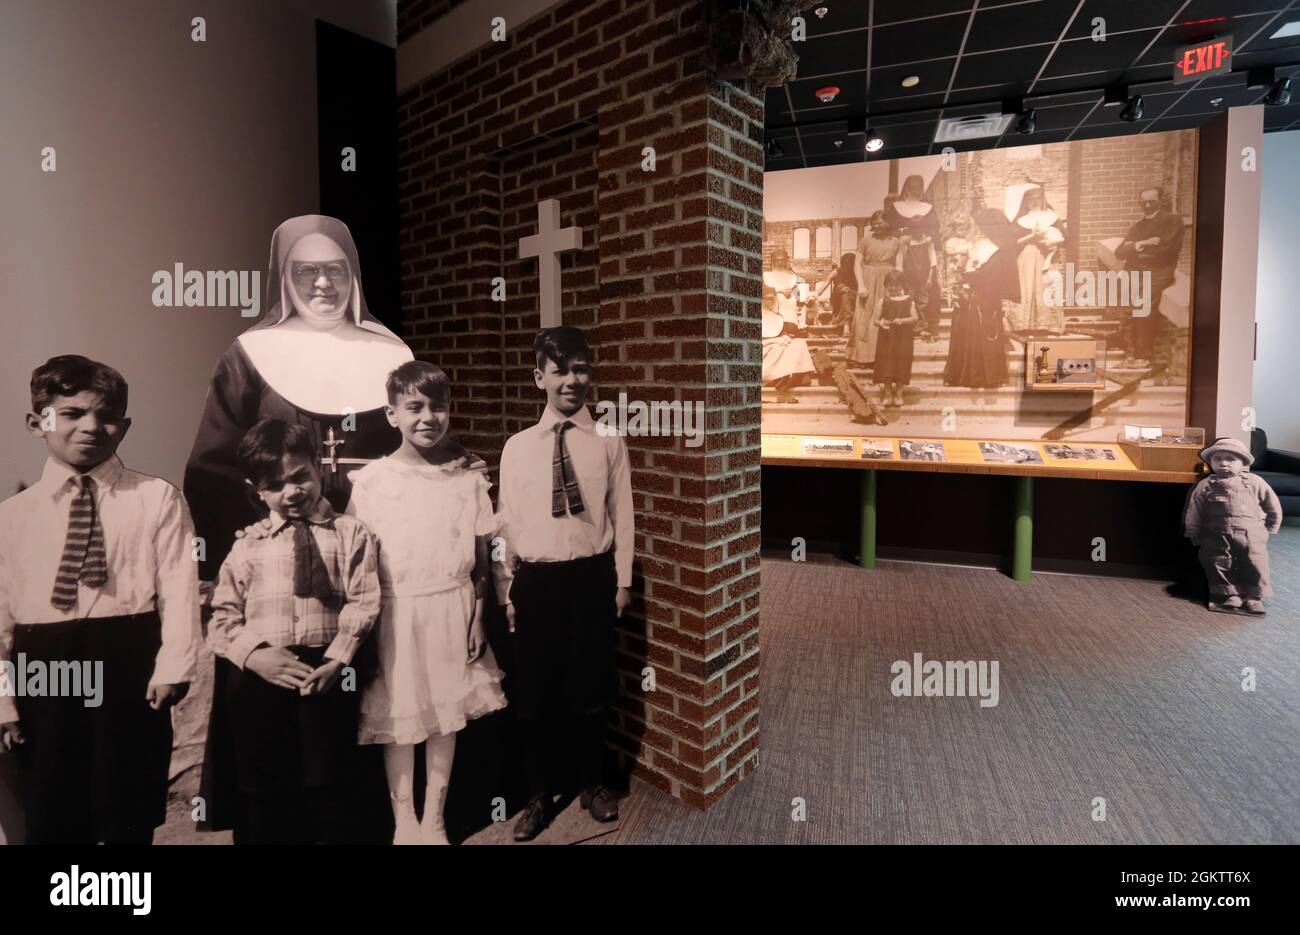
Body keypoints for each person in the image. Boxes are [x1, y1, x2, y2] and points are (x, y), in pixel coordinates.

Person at [187, 215, 476, 839]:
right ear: (284, 279)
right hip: (281, 585)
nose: (323, 284)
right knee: (278, 735)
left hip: (379, 566)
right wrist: (264, 548)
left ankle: (391, 820)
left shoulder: (389, 352)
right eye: (306, 272)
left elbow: (422, 437)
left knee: (373, 704)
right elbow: (212, 470)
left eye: (335, 270)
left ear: (354, 276)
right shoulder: (250, 355)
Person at [0, 356, 201, 844]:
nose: (91, 426)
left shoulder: (156, 498)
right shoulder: (12, 517)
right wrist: (4, 701)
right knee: (50, 803)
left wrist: (174, 664)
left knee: (126, 802)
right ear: (37, 422)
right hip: (41, 666)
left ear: (124, 426)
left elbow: (178, 586)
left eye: (106, 415)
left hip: (128, 660)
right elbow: (1, 619)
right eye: (71, 413)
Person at [347, 362, 507, 845]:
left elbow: (481, 562)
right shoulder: (373, 481)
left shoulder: (466, 480)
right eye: (415, 407)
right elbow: (359, 559)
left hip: (452, 607)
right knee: (399, 716)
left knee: (444, 713)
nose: (428, 417)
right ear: (392, 414)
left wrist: (479, 616)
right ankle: (404, 820)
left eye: (438, 406)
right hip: (398, 611)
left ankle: (434, 817)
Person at [207, 419, 381, 844]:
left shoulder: (350, 532)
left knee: (330, 783)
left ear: (318, 467)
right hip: (261, 677)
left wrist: (338, 658)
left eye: (300, 476)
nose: (292, 492)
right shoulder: (249, 545)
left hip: (325, 672)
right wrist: (254, 655)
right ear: (257, 490)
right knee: (265, 787)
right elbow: (222, 616)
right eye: (275, 485)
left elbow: (364, 599)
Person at [496, 327, 634, 842]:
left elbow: (623, 513)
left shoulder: (608, 442)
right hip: (536, 582)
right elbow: (506, 520)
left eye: (581, 369)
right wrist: (506, 587)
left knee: (592, 687)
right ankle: (536, 793)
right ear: (540, 378)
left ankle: (591, 782)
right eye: (560, 370)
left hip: (590, 578)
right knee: (533, 693)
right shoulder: (516, 448)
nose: (572, 380)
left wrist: (621, 580)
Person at [1183, 436, 1282, 617]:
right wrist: (1193, 531)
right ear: (1211, 462)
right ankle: (1231, 594)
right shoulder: (1206, 485)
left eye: (1231, 459)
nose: (1224, 464)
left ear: (1243, 462)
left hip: (1251, 534)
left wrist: (1271, 526)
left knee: (1256, 563)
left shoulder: (1255, 482)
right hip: (1216, 534)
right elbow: (1194, 510)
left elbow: (1272, 504)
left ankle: (1254, 597)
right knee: (1219, 563)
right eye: (1218, 459)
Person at [943, 208, 1018, 394]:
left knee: (982, 336)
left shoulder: (993, 249)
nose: (974, 229)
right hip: (971, 298)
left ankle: (982, 375)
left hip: (984, 299)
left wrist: (969, 276)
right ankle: (964, 373)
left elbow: (992, 277)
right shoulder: (977, 245)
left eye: (977, 225)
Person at [1115, 187, 1184, 368]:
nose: (1146, 205)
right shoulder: (1138, 227)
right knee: (1127, 312)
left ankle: (1143, 356)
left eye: (1151, 201)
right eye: (1143, 202)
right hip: (1133, 272)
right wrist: (1144, 243)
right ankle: (1130, 355)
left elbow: (1167, 250)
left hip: (1158, 271)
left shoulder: (1172, 221)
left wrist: (1135, 249)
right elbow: (1119, 252)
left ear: (1161, 201)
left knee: (1143, 307)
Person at [1004, 183, 1066, 334]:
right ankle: (1023, 324)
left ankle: (1047, 324)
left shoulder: (1052, 217)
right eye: (1030, 198)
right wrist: (1031, 237)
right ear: (1025, 201)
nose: (1034, 201)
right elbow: (1011, 243)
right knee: (1026, 288)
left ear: (1043, 198)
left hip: (1047, 258)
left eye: (1037, 197)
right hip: (1027, 258)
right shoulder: (1020, 221)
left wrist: (1053, 242)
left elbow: (1067, 238)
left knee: (1045, 288)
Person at [885, 176, 942, 340]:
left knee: (929, 291)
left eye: (919, 186)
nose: (916, 189)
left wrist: (929, 238)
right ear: (906, 187)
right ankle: (909, 325)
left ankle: (931, 326)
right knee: (906, 288)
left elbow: (935, 232)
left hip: (924, 253)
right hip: (904, 254)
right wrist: (900, 237)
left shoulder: (929, 208)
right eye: (912, 186)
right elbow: (890, 231)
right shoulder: (896, 208)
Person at [762, 248, 816, 402]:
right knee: (781, 345)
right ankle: (780, 375)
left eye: (782, 259)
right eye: (777, 259)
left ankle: (798, 374)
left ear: (787, 260)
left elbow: (803, 299)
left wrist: (805, 298)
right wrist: (777, 290)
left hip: (789, 318)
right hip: (769, 319)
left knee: (795, 343)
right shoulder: (766, 276)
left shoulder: (796, 278)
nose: (780, 262)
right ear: (772, 260)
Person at [849, 212, 901, 366]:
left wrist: (898, 286)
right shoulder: (865, 241)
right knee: (866, 317)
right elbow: (857, 264)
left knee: (886, 314)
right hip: (868, 279)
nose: (877, 226)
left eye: (881, 222)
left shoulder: (896, 242)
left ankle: (885, 356)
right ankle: (864, 357)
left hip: (888, 281)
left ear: (888, 223)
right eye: (874, 223)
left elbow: (899, 266)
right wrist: (861, 285)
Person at [871, 271, 918, 408]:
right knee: (886, 364)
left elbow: (915, 318)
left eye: (896, 285)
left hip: (904, 339)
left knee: (902, 363)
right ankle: (887, 394)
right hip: (887, 338)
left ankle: (898, 393)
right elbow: (875, 320)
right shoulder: (883, 301)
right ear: (886, 286)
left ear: (902, 285)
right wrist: (882, 323)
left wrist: (902, 320)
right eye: (890, 285)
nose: (893, 288)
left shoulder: (909, 300)